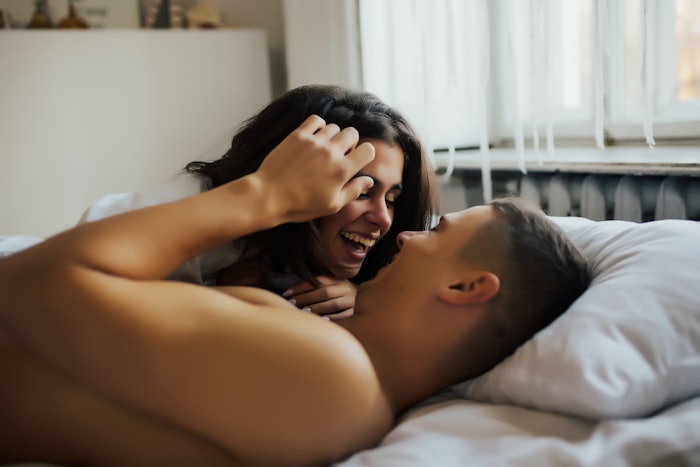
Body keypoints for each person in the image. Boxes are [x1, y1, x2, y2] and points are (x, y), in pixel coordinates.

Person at [0, 115, 591, 466]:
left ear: (466, 287)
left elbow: (28, 285)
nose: (402, 234)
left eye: (437, 233)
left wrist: (264, 196)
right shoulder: (332, 353)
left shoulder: (335, 381)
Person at [78, 84, 437, 318]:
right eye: (362, 191)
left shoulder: (346, 270)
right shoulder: (209, 209)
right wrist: (220, 297)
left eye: (391, 200)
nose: (383, 220)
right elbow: (83, 260)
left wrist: (364, 302)